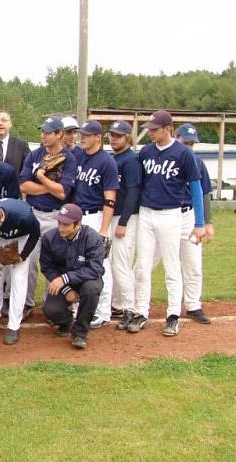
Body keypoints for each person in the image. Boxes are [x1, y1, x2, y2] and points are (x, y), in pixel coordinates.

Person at [130, 110, 205, 337]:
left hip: (171, 214)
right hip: (146, 213)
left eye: (154, 129)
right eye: (149, 129)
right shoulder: (146, 152)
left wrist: (200, 222)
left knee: (172, 266)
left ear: (167, 129)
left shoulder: (184, 154)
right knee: (142, 265)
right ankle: (141, 311)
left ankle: (173, 315)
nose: (150, 133)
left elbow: (196, 189)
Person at [19, 116, 78, 316]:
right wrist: (50, 187)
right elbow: (23, 186)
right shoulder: (34, 155)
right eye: (42, 131)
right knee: (28, 260)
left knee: (54, 262)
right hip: (33, 214)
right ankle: (26, 303)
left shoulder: (69, 159)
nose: (43, 135)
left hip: (56, 217)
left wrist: (42, 178)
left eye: (48, 132)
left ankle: (49, 304)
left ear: (59, 134)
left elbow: (63, 193)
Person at [72, 120, 119, 329]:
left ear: (98, 137)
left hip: (96, 215)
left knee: (101, 265)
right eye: (81, 134)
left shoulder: (106, 162)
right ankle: (77, 307)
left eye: (87, 135)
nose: (82, 138)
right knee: (76, 262)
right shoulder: (79, 156)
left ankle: (102, 312)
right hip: (78, 216)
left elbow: (110, 198)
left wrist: (104, 229)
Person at [39, 203, 105, 349]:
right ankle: (66, 321)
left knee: (91, 289)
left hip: (86, 279)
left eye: (66, 224)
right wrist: (66, 289)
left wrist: (65, 278)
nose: (61, 228)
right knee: (51, 311)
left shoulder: (92, 238)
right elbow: (47, 266)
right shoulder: (49, 238)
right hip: (63, 282)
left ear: (78, 224)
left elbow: (95, 269)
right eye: (59, 223)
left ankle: (80, 333)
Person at [0, 199, 40, 344]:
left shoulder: (24, 215)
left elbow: (35, 234)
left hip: (22, 238)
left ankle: (14, 326)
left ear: (1, 219)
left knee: (18, 279)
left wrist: (23, 256)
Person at [174, 123, 213, 324]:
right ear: (176, 138)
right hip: (165, 215)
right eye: (185, 142)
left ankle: (193, 305)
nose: (188, 146)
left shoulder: (197, 163)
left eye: (191, 143)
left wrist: (207, 222)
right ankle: (136, 307)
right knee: (146, 264)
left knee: (193, 264)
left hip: (188, 216)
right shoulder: (167, 159)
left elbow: (204, 193)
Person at [106, 120, 142, 331]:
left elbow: (133, 192)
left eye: (118, 135)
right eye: (111, 135)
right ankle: (118, 304)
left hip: (124, 217)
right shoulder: (114, 158)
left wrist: (124, 222)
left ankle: (130, 308)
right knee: (112, 263)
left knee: (121, 264)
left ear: (127, 138)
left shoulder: (131, 160)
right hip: (112, 215)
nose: (114, 139)